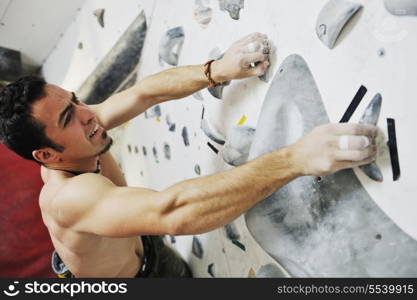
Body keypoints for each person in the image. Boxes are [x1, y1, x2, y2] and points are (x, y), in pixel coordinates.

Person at [0, 33, 377, 278]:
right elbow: (173, 212)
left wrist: (217, 70)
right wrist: (295, 159)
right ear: (46, 154)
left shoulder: (83, 127)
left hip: (142, 249)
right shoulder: (70, 199)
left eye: (75, 100)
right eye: (69, 117)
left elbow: (143, 94)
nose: (87, 113)